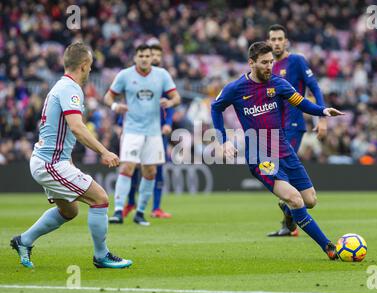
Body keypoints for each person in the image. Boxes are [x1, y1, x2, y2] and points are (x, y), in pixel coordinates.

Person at [210, 42, 344, 260]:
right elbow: (216, 108)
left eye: (271, 61)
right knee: (296, 199)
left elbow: (301, 103)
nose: (269, 66)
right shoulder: (235, 88)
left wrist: (323, 111)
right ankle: (327, 246)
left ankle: (288, 210)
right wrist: (222, 140)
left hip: (284, 149)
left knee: (310, 200)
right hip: (259, 155)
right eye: (264, 62)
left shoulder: (278, 84)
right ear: (251, 63)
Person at [10, 42, 132, 269]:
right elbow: (76, 127)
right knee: (101, 199)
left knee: (69, 210)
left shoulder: (60, 86)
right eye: (91, 66)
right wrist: (104, 151)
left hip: (47, 160)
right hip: (51, 163)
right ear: (84, 65)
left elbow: (61, 130)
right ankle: (101, 256)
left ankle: (23, 240)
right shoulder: (70, 89)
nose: (91, 70)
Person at [105, 44, 180, 226]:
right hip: (132, 130)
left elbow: (176, 97)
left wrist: (169, 103)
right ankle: (118, 211)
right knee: (127, 168)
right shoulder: (125, 75)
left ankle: (140, 213)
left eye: (147, 55)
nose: (145, 58)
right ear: (135, 58)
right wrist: (115, 107)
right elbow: (108, 96)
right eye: (141, 56)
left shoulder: (161, 75)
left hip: (153, 132)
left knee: (150, 172)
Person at [267, 24, 328, 237]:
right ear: (268, 42)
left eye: (279, 39)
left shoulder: (297, 61)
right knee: (281, 177)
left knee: (286, 176)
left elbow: (315, 87)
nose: (276, 43)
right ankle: (288, 220)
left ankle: (289, 216)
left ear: (286, 41)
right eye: (272, 39)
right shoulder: (268, 67)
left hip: (293, 126)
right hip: (275, 129)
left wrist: (321, 118)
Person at [122, 43, 174, 219]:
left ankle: (155, 208)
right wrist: (121, 122)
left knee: (156, 169)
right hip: (136, 128)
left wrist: (168, 123)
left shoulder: (163, 78)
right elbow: (129, 102)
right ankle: (129, 203)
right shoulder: (134, 76)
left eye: (158, 55)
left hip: (157, 130)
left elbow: (170, 104)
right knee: (133, 166)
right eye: (153, 54)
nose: (156, 58)